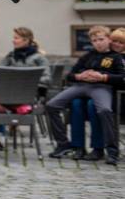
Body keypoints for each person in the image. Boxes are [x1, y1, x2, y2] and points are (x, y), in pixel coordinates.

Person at [46, 25, 121, 166]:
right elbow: (70, 75)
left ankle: (112, 151)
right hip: (82, 85)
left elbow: (121, 77)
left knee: (105, 110)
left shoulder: (115, 57)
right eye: (94, 40)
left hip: (102, 87)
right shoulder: (87, 56)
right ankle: (64, 143)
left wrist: (103, 77)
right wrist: (80, 76)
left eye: (101, 39)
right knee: (52, 105)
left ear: (109, 39)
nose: (98, 42)